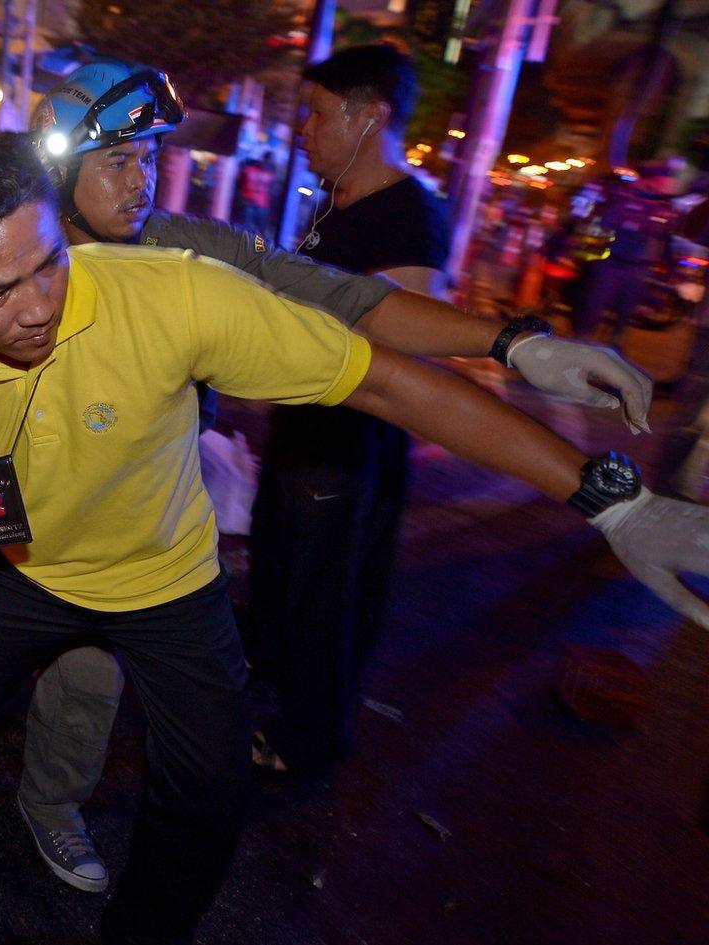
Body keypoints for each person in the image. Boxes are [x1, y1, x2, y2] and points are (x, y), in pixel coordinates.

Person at [0, 131, 709, 944]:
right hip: (22, 575)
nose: (35, 308)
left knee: (210, 794)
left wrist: (611, 499)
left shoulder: (173, 294)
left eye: (48, 265)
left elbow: (384, 386)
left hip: (168, 582)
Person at [0, 59, 657, 895]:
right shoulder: (20, 260)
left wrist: (515, 342)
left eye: (152, 154)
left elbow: (340, 299)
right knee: (56, 691)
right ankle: (17, 805)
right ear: (60, 169)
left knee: (206, 754)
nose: (144, 178)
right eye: (119, 159)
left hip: (165, 544)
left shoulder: (186, 248)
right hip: (57, 537)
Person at [247, 43, 451, 776]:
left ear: (372, 117)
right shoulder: (334, 203)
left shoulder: (410, 217)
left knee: (324, 594)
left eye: (320, 113)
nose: (305, 128)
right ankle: (267, 688)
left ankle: (311, 739)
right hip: (304, 427)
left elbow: (401, 339)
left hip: (351, 440)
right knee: (281, 569)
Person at [571, 157, 690, 341]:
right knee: (595, 305)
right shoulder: (623, 198)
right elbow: (602, 225)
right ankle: (582, 340)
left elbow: (666, 242)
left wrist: (673, 273)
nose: (668, 184)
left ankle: (614, 343)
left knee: (625, 311)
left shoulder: (665, 209)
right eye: (664, 179)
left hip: (638, 268)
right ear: (650, 180)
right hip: (610, 262)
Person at [237, 157, 274, 233]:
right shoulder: (249, 170)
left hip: (261, 203)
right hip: (249, 201)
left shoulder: (270, 175)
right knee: (246, 225)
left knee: (259, 227)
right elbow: (241, 183)